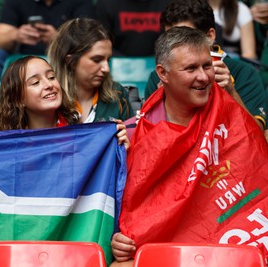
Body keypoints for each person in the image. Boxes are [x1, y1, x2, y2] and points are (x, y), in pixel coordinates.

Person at [111, 26, 268, 267]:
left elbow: (258, 158)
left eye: (207, 66)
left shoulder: (226, 107)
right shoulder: (133, 135)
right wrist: (120, 240)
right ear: (163, 74)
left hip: (247, 238)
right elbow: (130, 212)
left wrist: (232, 93)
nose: (203, 77)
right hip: (182, 253)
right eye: (191, 68)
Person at [144, 0, 267, 136]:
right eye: (169, 39)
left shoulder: (244, 73)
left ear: (210, 36)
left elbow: (257, 138)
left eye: (186, 38)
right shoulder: (161, 75)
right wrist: (163, 100)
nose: (175, 47)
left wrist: (231, 93)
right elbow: (151, 139)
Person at [0, 55, 130, 149]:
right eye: (36, 82)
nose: (49, 84)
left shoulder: (81, 134)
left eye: (51, 77)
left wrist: (121, 149)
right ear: (18, 99)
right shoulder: (10, 145)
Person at [47, 18, 134, 123]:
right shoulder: (48, 97)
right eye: (97, 60)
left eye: (108, 60)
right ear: (70, 61)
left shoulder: (118, 94)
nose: (106, 69)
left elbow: (133, 136)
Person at [0, 0, 95, 81]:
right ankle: (4, 98)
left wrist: (58, 39)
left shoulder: (80, 2)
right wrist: (16, 34)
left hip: (63, 57)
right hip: (24, 56)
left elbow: (88, 42)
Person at [95, 0, 171, 56]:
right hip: (117, 64)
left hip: (160, 62)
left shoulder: (169, 3)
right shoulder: (106, 3)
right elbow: (100, 43)